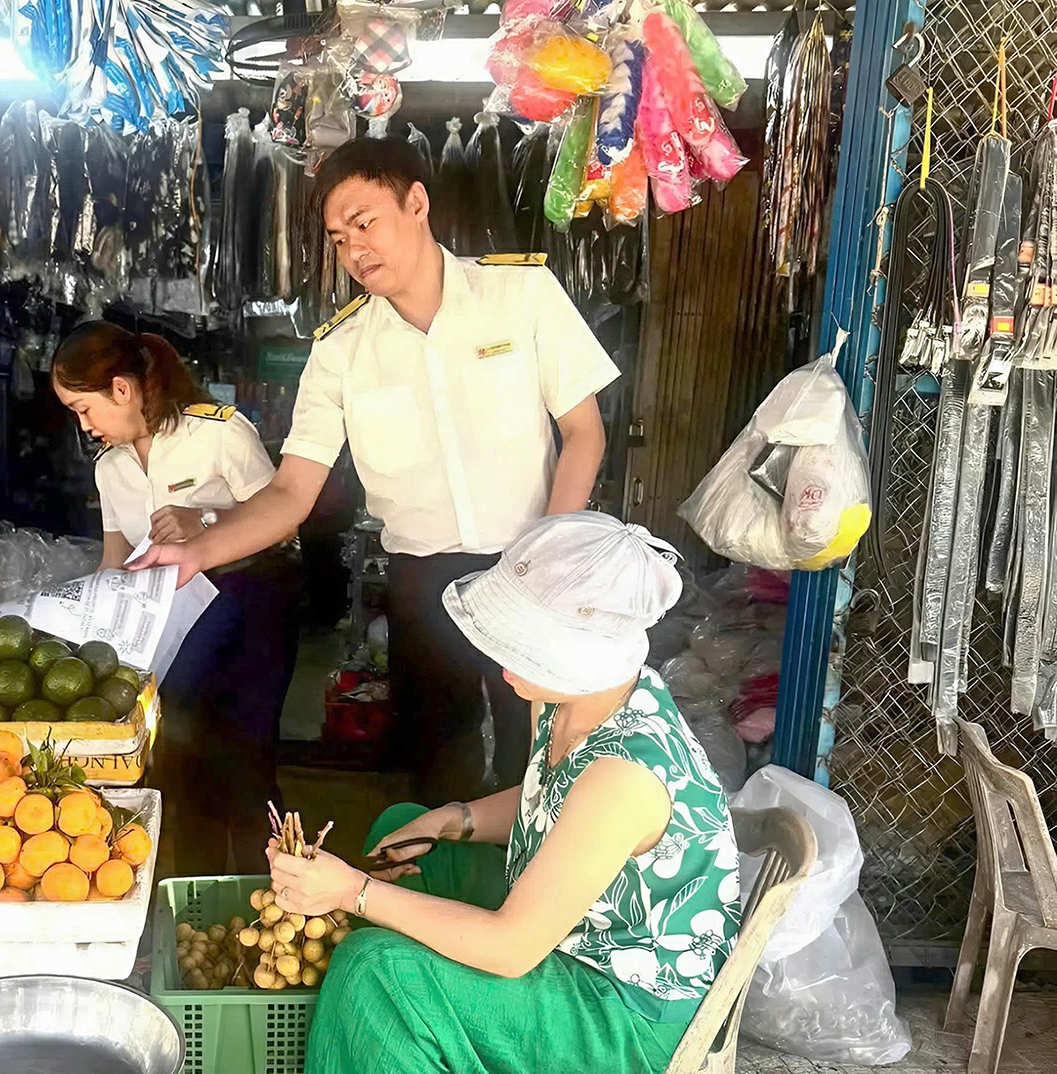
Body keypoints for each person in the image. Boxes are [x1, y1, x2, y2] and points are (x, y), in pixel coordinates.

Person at [134, 137, 621, 803]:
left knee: (538, 756)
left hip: (531, 567)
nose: (354, 250)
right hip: (423, 585)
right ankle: (446, 864)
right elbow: (291, 490)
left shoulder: (521, 294)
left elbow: (584, 432)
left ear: (416, 204)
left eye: (364, 223)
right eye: (339, 239)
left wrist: (552, 554)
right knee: (438, 762)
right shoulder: (340, 350)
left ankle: (531, 869)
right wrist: (199, 552)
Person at [267, 512, 741, 1074]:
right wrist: (453, 818)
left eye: (522, 647)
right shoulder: (584, 697)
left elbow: (512, 948)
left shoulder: (623, 776)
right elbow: (550, 795)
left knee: (376, 970)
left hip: (624, 1012)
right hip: (578, 935)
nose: (500, 663)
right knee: (404, 826)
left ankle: (388, 1019)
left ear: (577, 653)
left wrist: (354, 892)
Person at [51, 321, 301, 874]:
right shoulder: (110, 468)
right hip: (171, 626)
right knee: (181, 765)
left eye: (84, 409)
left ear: (121, 389)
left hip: (250, 612)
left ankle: (271, 895)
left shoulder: (217, 433)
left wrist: (205, 519)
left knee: (247, 765)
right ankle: (195, 900)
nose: (84, 425)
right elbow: (115, 562)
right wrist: (76, 617)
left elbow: (284, 524)